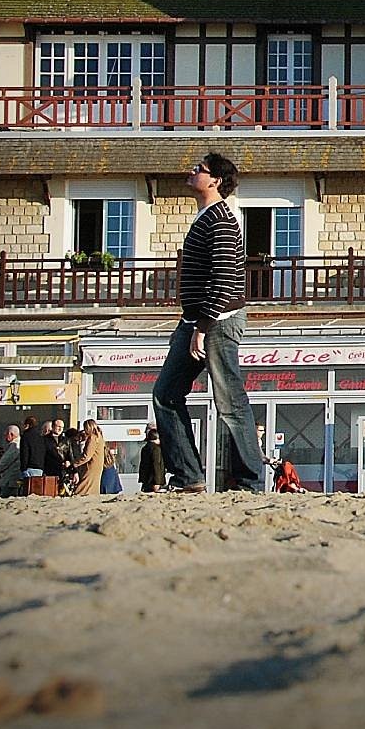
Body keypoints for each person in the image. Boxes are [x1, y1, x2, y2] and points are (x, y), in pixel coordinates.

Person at [152, 152, 267, 494]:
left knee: (230, 402)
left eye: (198, 169)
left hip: (217, 322)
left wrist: (201, 327)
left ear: (215, 180)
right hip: (194, 321)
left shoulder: (221, 219)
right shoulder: (206, 216)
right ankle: (188, 478)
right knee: (167, 394)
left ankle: (250, 482)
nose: (191, 172)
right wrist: (192, 324)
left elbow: (224, 279)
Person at [68, 419, 105, 496]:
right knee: (93, 484)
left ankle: (78, 495)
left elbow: (86, 456)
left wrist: (74, 464)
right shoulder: (99, 437)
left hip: (91, 465)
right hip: (98, 464)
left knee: (85, 483)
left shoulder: (92, 438)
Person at [0, 424, 23, 497]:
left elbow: (5, 461)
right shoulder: (20, 443)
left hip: (11, 478)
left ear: (11, 434)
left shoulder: (14, 445)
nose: (5, 437)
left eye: (6, 434)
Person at [138, 425, 165, 494]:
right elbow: (156, 465)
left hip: (146, 481)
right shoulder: (156, 449)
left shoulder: (145, 448)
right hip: (154, 482)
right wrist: (157, 482)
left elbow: (142, 465)